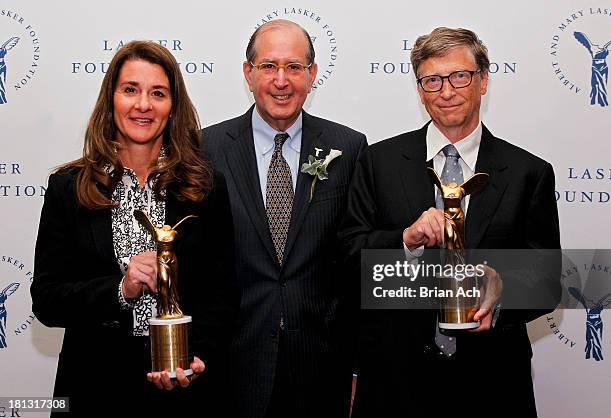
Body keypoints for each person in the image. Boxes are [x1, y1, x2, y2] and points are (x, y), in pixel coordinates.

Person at [340, 27, 561, 417]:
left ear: (484, 80)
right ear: (419, 88)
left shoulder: (529, 172)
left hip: (492, 381)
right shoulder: (378, 163)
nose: (447, 91)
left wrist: (502, 289)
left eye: (460, 76)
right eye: (432, 80)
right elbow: (347, 255)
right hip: (395, 380)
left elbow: (547, 282)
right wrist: (405, 241)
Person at [31, 40, 238, 416]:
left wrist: (197, 357)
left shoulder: (204, 186)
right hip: (96, 386)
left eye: (157, 93)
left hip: (187, 389)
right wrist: (121, 289)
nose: (143, 105)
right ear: (111, 99)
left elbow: (222, 295)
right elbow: (47, 300)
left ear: (173, 106)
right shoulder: (70, 187)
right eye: (131, 90)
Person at [202, 19, 367, 418]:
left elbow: (354, 261)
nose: (281, 80)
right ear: (248, 73)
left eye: (294, 67)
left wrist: (358, 363)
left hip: (320, 364)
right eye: (268, 66)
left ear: (312, 74)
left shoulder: (348, 148)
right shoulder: (206, 149)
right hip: (231, 363)